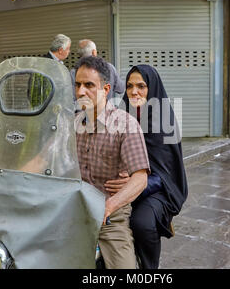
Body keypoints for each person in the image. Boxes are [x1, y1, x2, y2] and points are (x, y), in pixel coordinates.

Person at [104, 65, 188, 269]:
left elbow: (163, 173)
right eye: (130, 86)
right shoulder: (120, 114)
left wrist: (132, 186)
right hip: (120, 183)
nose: (134, 91)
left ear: (153, 88)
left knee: (142, 224)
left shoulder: (164, 121)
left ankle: (149, 267)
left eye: (141, 86)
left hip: (157, 188)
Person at [74, 56, 150, 269]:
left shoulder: (126, 124)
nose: (81, 92)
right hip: (73, 210)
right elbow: (46, 159)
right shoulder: (71, 124)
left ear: (106, 89)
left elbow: (140, 177)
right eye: (78, 84)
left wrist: (109, 206)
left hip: (110, 217)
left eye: (89, 85)